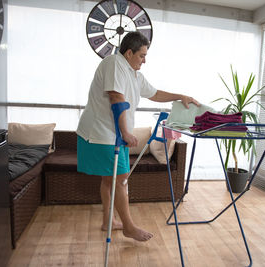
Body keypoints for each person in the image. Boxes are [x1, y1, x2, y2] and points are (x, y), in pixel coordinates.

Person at [76, 31, 199, 242]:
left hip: (110, 133)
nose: (145, 60)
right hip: (102, 133)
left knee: (110, 179)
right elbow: (116, 97)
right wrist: (125, 132)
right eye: (142, 55)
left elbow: (154, 93)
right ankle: (128, 227)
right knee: (121, 180)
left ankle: (108, 221)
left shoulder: (134, 74)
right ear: (129, 52)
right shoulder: (115, 63)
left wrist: (180, 96)